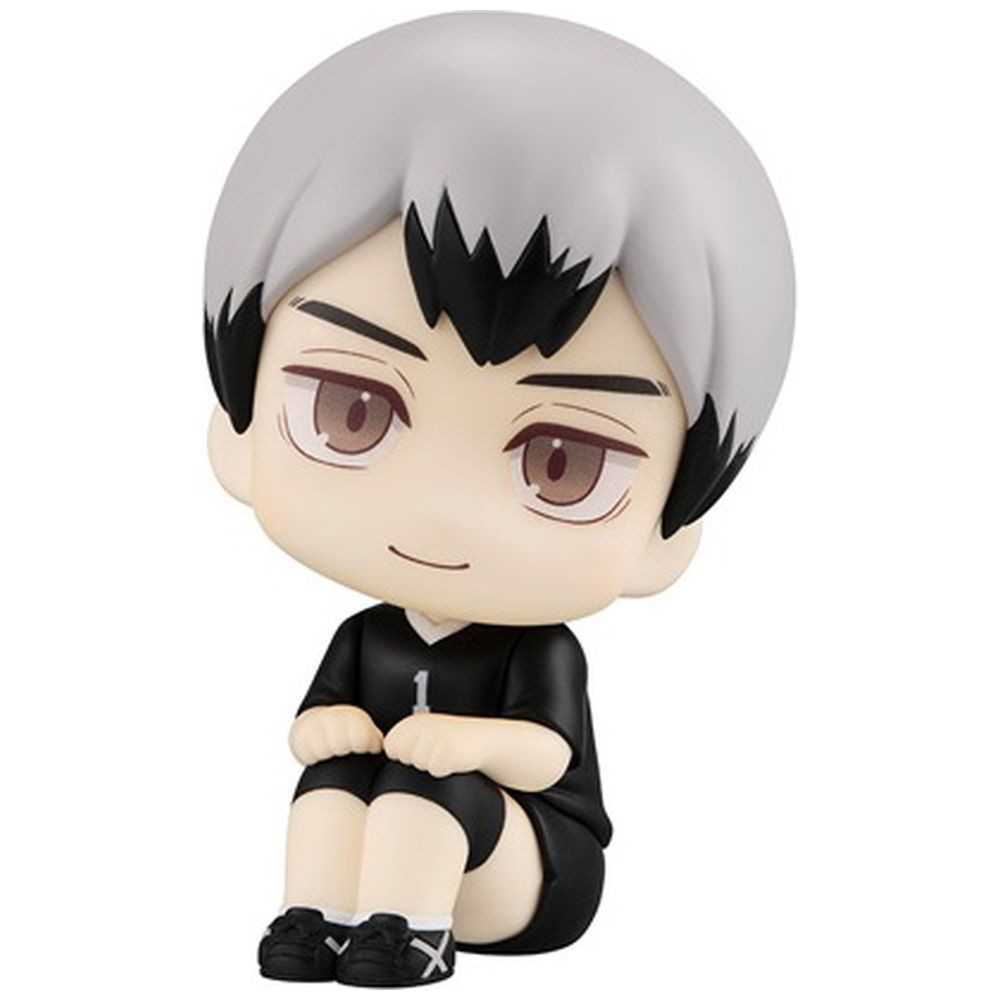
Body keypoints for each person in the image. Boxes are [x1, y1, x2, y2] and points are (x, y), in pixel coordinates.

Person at [203, 11, 794, 988]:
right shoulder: (365, 636)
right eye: (352, 411)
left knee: (430, 794)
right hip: (399, 817)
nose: (444, 508)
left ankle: (414, 933)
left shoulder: (538, 651)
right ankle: (314, 919)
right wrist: (326, 731)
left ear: (667, 532)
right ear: (238, 426)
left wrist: (465, 741)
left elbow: (546, 758)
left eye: (564, 464)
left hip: (533, 864)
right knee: (334, 780)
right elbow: (314, 725)